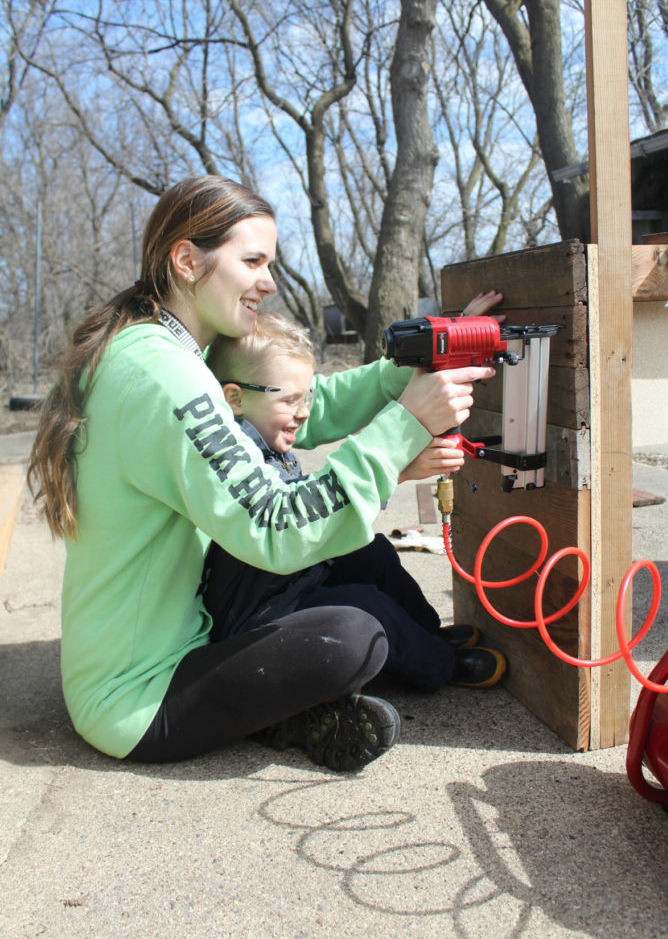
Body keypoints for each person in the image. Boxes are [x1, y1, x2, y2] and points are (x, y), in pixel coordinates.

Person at [28, 174, 497, 774]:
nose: (268, 281)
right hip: (139, 698)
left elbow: (298, 404)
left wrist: (419, 362)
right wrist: (406, 423)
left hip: (196, 621)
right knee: (355, 636)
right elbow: (277, 527)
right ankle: (293, 717)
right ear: (187, 260)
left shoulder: (165, 351)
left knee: (357, 553)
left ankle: (314, 696)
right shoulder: (162, 376)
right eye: (252, 260)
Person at [201, 311, 506, 695]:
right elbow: (300, 512)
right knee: (362, 604)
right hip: (258, 615)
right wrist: (398, 471)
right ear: (235, 398)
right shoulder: (231, 454)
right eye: (291, 399)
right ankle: (437, 666)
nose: (304, 411)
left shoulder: (266, 436)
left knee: (372, 553)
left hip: (288, 579)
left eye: (308, 396)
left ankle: (426, 635)